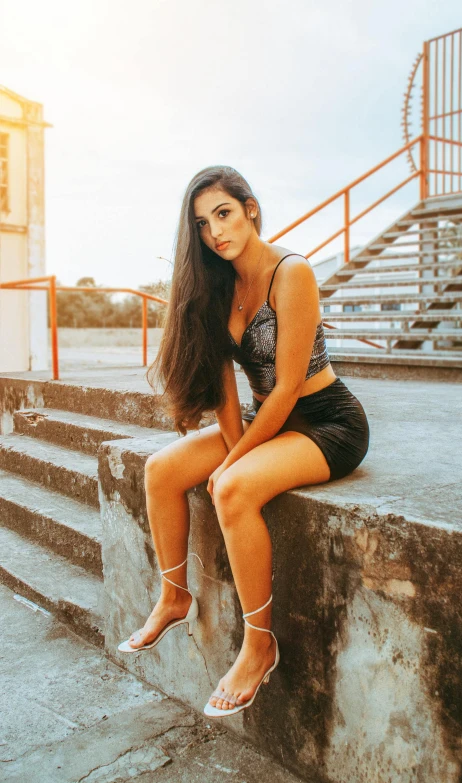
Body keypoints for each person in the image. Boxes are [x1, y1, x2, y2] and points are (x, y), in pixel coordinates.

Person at [117, 165, 370, 718]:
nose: (216, 233)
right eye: (203, 225)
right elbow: (227, 394)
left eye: (224, 214)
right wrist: (234, 448)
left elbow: (286, 389)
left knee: (230, 490)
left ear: (250, 208)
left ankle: (259, 644)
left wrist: (233, 462)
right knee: (161, 470)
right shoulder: (218, 285)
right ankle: (175, 595)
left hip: (325, 420)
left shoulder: (292, 272)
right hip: (265, 416)